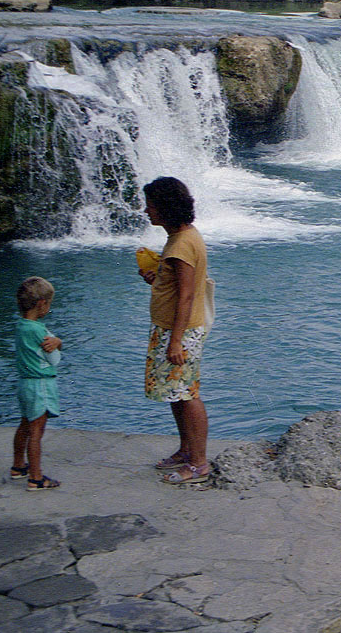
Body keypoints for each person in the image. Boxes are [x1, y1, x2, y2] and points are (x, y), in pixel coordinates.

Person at [139, 176, 211, 484]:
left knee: (187, 394)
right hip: (174, 329)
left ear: (166, 208)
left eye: (151, 206)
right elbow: (178, 286)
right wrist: (157, 278)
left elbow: (186, 296)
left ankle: (198, 463)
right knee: (177, 393)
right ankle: (186, 450)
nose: (146, 211)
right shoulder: (183, 236)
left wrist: (176, 341)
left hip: (179, 331)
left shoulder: (181, 244)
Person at [11, 276, 64, 490]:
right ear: (42, 304)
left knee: (25, 424)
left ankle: (18, 466)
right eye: (49, 303)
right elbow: (54, 358)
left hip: (25, 383)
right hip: (40, 384)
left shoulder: (21, 326)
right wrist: (58, 342)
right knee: (36, 431)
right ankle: (36, 477)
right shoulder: (39, 330)